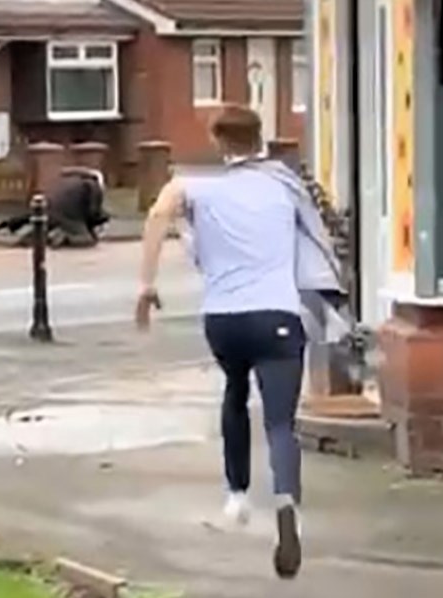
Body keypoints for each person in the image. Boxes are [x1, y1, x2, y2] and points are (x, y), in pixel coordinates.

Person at [135, 105, 343, 580]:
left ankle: (237, 495)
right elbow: (319, 237)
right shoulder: (284, 186)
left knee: (234, 391)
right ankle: (286, 503)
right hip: (278, 316)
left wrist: (146, 284)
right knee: (279, 423)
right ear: (260, 138)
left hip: (224, 320)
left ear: (218, 142)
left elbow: (157, 214)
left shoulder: (198, 186)